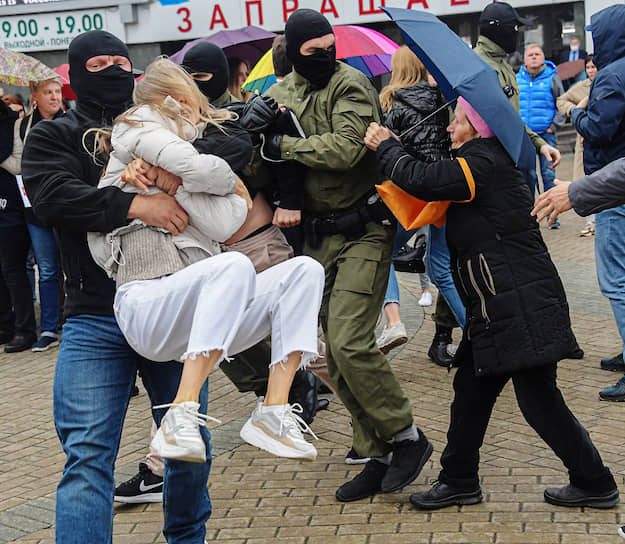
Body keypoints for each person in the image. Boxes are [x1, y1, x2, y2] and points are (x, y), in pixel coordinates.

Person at [365, 96, 619, 511]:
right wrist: (399, 148)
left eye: (457, 122)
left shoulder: (482, 160)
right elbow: (430, 179)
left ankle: (594, 481)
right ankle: (459, 479)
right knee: (470, 391)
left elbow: (426, 179)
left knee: (539, 401)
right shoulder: (483, 159)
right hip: (497, 304)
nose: (449, 129)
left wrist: (387, 146)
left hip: (515, 302)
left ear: (477, 128)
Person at [20, 30, 212, 544]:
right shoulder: (53, 135)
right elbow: (53, 198)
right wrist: (135, 203)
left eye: (122, 61)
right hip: (94, 318)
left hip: (171, 312)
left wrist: (181, 173)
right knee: (87, 457)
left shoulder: (164, 122)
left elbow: (224, 150)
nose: (113, 71)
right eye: (99, 62)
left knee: (189, 450)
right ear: (77, 72)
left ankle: (188, 538)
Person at [89, 57, 324, 465]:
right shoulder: (137, 125)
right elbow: (200, 168)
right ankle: (179, 414)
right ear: (175, 102)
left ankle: (273, 409)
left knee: (304, 270)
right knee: (234, 265)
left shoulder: (172, 158)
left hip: (192, 317)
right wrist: (200, 177)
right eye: (195, 109)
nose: (201, 124)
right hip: (144, 303)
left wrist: (176, 183)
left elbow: (228, 218)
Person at [259, 9, 433, 502]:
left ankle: (406, 437)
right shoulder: (277, 94)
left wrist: (282, 144)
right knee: (332, 351)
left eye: (329, 47)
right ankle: (375, 451)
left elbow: (344, 151)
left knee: (352, 340)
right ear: (293, 52)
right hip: (317, 237)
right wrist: (246, 130)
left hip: (364, 229)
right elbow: (261, 159)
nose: (325, 57)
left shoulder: (351, 83)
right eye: (312, 51)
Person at [376, 46, 452, 354]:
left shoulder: (390, 101)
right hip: (444, 187)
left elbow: (386, 151)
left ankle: (394, 322)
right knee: (443, 267)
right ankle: (478, 332)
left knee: (383, 254)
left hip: (407, 193)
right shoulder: (442, 99)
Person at [569, 4, 625, 400]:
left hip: (614, 190)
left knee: (616, 282)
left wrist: (576, 114)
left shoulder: (611, 75)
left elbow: (600, 130)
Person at [2, 78, 64, 352]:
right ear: (35, 95)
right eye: (48, 92)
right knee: (47, 269)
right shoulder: (22, 125)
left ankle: (72, 319)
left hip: (67, 203)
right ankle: (49, 328)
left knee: (73, 266)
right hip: (34, 206)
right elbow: (18, 164)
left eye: (58, 91)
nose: (54, 97)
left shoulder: (71, 122)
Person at [474, 2, 562, 187]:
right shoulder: (480, 67)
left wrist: (539, 143)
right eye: (515, 28)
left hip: (515, 163)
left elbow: (512, 118)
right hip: (497, 171)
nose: (517, 33)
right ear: (500, 29)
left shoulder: (503, 65)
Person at [0, 99, 37, 353]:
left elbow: (13, 161)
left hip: (12, 207)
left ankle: (25, 330)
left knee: (15, 270)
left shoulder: (10, 124)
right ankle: (6, 326)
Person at [517, 43, 566, 226]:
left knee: (548, 176)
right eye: (531, 54)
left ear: (543, 58)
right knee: (527, 177)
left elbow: (561, 103)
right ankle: (530, 217)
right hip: (526, 138)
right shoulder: (517, 79)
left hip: (547, 135)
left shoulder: (553, 78)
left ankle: (552, 217)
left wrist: (553, 126)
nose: (534, 57)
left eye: (537, 54)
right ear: (524, 59)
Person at [556, 55, 597, 236]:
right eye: (588, 67)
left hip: (606, 141)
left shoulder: (611, 83)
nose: (591, 70)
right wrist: (576, 111)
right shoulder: (581, 88)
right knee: (586, 181)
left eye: (594, 67)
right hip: (585, 142)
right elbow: (561, 100)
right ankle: (591, 222)